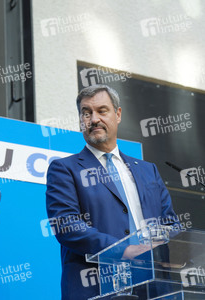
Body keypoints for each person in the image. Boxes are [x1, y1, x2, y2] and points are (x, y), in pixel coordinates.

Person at [45, 84, 177, 299]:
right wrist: (122, 249)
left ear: (118, 114)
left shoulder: (148, 170)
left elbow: (171, 224)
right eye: (86, 113)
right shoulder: (65, 169)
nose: (94, 119)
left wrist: (161, 245)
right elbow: (66, 224)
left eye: (102, 110)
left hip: (155, 290)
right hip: (96, 288)